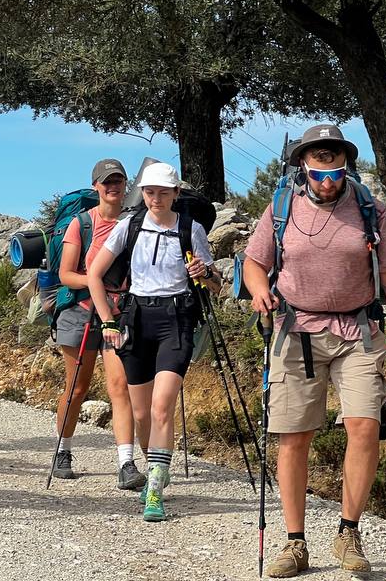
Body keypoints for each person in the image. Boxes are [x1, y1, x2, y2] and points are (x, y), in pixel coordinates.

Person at [239, 124, 386, 577]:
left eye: (334, 165)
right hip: (295, 330)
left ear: (345, 164)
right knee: (294, 436)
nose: (327, 177)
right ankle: (295, 543)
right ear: (303, 163)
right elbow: (254, 264)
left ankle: (348, 533)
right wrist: (259, 291)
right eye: (319, 166)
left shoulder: (370, 209)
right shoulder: (281, 206)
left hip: (358, 331)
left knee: (365, 425)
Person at [87, 162, 219, 521]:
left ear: (176, 194)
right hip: (137, 320)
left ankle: (156, 488)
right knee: (142, 413)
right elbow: (94, 274)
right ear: (142, 193)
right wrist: (107, 321)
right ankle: (156, 466)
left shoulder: (191, 229)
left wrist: (205, 273)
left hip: (177, 321)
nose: (155, 198)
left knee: (162, 406)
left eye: (163, 192)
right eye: (149, 192)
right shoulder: (129, 226)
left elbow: (215, 285)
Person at [49, 158, 146, 490]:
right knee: (77, 387)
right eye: (107, 182)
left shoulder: (134, 222)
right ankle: (63, 450)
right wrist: (97, 283)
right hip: (80, 312)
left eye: (118, 180)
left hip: (119, 314)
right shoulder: (82, 224)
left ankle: (126, 463)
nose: (113, 186)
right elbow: (65, 274)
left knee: (120, 386)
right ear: (96, 187)